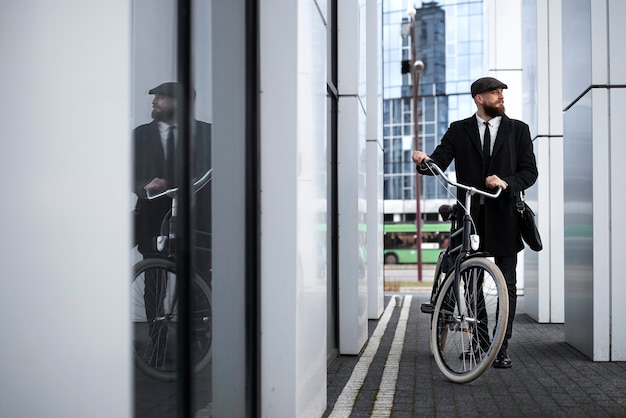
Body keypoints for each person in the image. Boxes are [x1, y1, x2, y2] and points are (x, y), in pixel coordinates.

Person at [411, 76, 538, 369]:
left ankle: (501, 347)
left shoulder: (518, 130)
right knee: (471, 283)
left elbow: (530, 172)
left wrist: (506, 182)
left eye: (502, 92)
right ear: (479, 98)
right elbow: (438, 164)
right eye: (495, 93)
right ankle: (482, 344)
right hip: (470, 217)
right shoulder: (459, 130)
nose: (501, 97)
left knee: (506, 283)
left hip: (506, 217)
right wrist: (423, 161)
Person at [133, 82, 212, 359]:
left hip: (196, 221)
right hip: (154, 221)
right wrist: (146, 184)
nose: (154, 102)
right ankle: (157, 342)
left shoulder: (209, 134)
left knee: (198, 280)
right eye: (155, 97)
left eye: (162, 98)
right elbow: (127, 172)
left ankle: (198, 341)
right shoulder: (140, 135)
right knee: (153, 284)